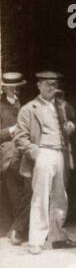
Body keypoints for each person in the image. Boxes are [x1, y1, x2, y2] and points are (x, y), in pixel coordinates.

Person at [13, 71, 76, 255]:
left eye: (55, 83)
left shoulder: (63, 106)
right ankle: (36, 241)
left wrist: (70, 128)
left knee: (61, 197)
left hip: (61, 154)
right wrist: (35, 152)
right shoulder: (29, 108)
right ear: (39, 85)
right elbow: (20, 137)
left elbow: (72, 126)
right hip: (43, 153)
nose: (52, 87)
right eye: (48, 84)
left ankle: (57, 236)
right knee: (40, 197)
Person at [0, 71, 30, 242]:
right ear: (4, 88)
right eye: (11, 88)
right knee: (14, 194)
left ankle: (17, 229)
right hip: (8, 157)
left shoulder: (23, 105)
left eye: (17, 88)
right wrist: (11, 131)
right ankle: (16, 231)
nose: (15, 91)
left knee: (27, 192)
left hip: (23, 154)